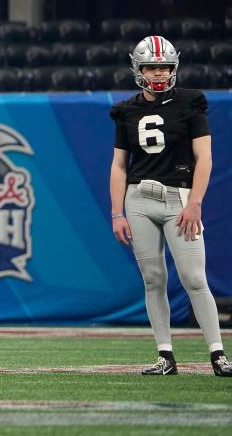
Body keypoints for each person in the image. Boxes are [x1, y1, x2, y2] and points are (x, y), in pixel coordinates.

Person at [109, 35, 231, 377]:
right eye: (152, 66)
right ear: (138, 69)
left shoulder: (190, 103)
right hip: (139, 199)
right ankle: (165, 355)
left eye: (164, 66)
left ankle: (218, 354)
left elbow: (204, 158)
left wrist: (195, 203)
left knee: (194, 278)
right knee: (153, 279)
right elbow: (119, 165)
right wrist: (117, 211)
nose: (159, 73)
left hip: (179, 198)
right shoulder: (127, 110)